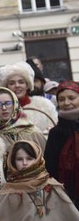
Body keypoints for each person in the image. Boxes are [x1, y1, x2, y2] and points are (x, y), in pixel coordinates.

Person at [0, 140, 79, 220]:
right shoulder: (8, 191)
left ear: (37, 159)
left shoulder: (51, 186)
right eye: (19, 159)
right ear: (13, 161)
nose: (25, 163)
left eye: (29, 159)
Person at [45, 79, 79, 209]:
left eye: (72, 98)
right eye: (61, 99)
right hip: (65, 199)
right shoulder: (55, 133)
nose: (66, 103)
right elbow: (50, 169)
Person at [0, 62, 57, 135]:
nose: (17, 85)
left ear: (27, 85)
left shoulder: (45, 106)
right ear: (6, 87)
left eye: (21, 82)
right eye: (12, 83)